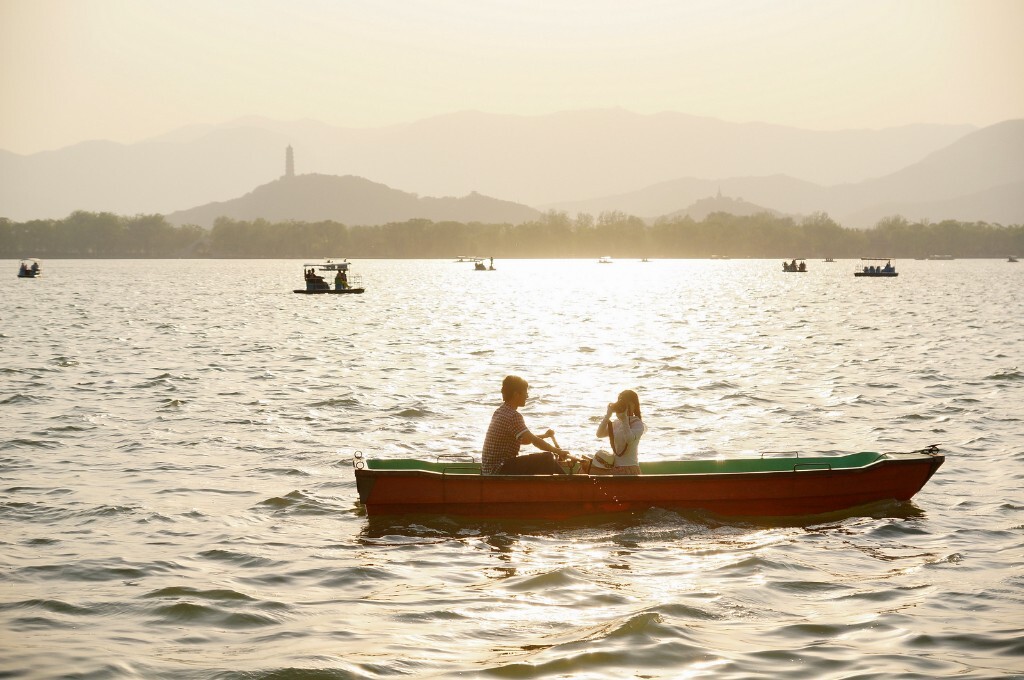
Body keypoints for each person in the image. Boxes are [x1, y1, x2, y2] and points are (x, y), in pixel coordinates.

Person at [482, 375, 570, 475]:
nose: (527, 396)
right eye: (525, 392)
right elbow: (534, 441)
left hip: (490, 470)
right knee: (547, 458)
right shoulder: (513, 416)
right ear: (516, 394)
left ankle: (564, 483)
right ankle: (569, 484)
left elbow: (526, 440)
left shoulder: (499, 412)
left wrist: (544, 436)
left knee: (546, 459)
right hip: (499, 469)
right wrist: (558, 451)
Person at [595, 389, 646, 475]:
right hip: (615, 468)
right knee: (586, 468)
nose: (623, 407)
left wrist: (625, 420)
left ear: (634, 405)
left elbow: (629, 439)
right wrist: (607, 416)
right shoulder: (616, 423)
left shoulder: (637, 424)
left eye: (626, 404)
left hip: (630, 469)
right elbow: (599, 434)